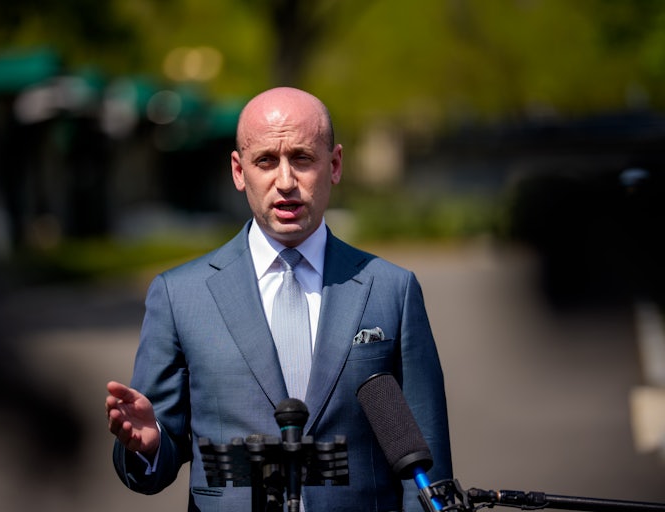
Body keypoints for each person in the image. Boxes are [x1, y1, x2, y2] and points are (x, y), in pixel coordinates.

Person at [105, 86, 453, 511]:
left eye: (302, 159)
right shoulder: (180, 295)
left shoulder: (391, 289)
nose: (285, 181)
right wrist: (150, 444)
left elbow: (428, 472)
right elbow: (157, 453)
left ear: (335, 164)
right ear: (238, 171)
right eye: (266, 161)